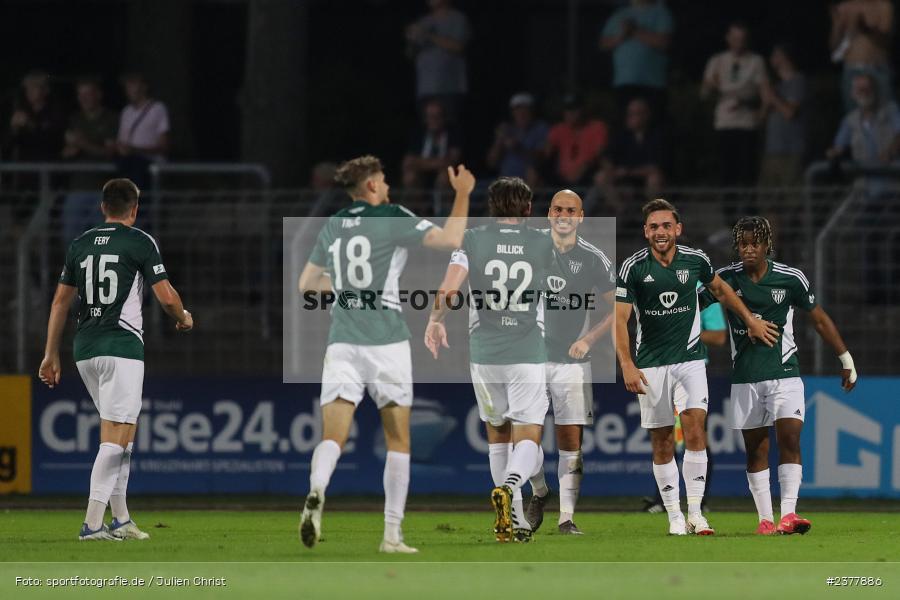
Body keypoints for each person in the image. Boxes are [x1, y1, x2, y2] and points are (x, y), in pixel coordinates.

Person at [297, 155, 473, 554]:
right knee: (399, 439)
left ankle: (317, 489)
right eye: (385, 180)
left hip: (342, 340)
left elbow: (307, 284)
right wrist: (462, 194)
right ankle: (392, 535)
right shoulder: (392, 215)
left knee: (333, 436)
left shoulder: (335, 223)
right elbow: (450, 240)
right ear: (372, 186)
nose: (389, 186)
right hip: (386, 342)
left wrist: (345, 287)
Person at [38, 178, 193, 541]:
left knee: (125, 433)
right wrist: (183, 317)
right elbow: (166, 296)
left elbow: (60, 301)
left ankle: (120, 518)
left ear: (102, 207)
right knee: (114, 435)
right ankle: (92, 523)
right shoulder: (139, 241)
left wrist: (50, 353)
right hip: (121, 346)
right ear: (134, 209)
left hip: (84, 349)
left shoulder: (80, 244)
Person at [615, 198, 779, 536]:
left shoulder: (696, 260)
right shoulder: (633, 267)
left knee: (695, 432)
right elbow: (619, 318)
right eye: (654, 226)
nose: (660, 231)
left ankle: (695, 513)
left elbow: (721, 290)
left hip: (690, 360)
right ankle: (674, 515)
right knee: (661, 441)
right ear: (646, 232)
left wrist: (748, 319)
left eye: (666, 225)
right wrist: (627, 364)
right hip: (651, 365)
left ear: (678, 229)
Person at [704, 216, 857, 534]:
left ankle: (789, 514)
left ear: (766, 245)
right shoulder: (725, 278)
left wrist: (845, 358)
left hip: (785, 373)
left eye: (754, 243)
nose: (748, 249)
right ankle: (764, 519)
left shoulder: (790, 278)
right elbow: (694, 306)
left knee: (789, 438)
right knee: (756, 450)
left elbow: (819, 320)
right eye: (743, 244)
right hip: (745, 376)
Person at [425, 177, 554, 543]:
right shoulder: (544, 242)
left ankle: (513, 522)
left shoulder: (472, 238)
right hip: (527, 351)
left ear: (491, 207)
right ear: (528, 209)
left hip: (485, 354)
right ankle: (513, 487)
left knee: (497, 434)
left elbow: (449, 289)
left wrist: (435, 321)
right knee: (528, 434)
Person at [523, 190, 616, 535]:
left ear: (581, 216)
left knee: (569, 439)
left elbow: (618, 309)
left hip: (572, 362)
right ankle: (538, 491)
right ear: (549, 214)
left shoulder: (594, 259)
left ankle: (566, 518)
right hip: (529, 358)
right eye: (558, 209)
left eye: (571, 210)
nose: (564, 215)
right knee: (525, 437)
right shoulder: (529, 248)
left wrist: (589, 339)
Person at [640, 284, 727, 514]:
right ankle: (665, 498)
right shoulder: (648, 280)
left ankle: (699, 501)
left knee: (694, 435)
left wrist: (681, 331)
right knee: (662, 435)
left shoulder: (699, 289)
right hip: (658, 368)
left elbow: (719, 335)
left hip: (690, 373)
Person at [701, 22, 768, 187]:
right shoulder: (717, 61)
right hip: (724, 123)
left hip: (747, 123)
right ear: (728, 39)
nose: (739, 42)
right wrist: (711, 85)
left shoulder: (756, 61)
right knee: (726, 172)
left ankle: (749, 211)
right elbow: (704, 93)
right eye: (735, 38)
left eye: (742, 39)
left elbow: (764, 92)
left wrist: (760, 114)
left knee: (748, 172)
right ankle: (728, 211)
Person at [61, 76, 119, 245]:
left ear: (98, 95)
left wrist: (83, 144)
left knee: (102, 241)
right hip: (77, 187)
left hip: (102, 191)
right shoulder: (75, 119)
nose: (84, 99)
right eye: (81, 95)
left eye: (88, 94)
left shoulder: (110, 118)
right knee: (71, 238)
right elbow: (67, 151)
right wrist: (73, 148)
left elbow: (109, 152)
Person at [598, 0, 673, 120]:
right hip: (623, 83)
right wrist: (622, 35)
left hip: (652, 83)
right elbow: (603, 44)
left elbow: (664, 42)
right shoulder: (619, 15)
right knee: (625, 125)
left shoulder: (660, 13)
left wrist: (635, 31)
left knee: (654, 124)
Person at [405, 0, 471, 124]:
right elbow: (410, 54)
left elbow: (458, 47)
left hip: (449, 87)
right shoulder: (423, 21)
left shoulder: (458, 18)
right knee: (427, 133)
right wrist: (411, 40)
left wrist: (428, 35)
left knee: (449, 131)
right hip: (424, 88)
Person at [759, 44, 808, 188]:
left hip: (792, 151)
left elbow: (789, 113)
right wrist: (765, 100)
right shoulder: (776, 86)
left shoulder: (798, 81)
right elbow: (761, 119)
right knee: (769, 202)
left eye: (775, 55)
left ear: (784, 57)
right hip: (772, 150)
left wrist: (772, 96)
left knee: (792, 201)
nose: (772, 59)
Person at [829, 0, 894, 111]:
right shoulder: (844, 7)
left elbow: (886, 40)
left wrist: (864, 26)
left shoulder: (883, 5)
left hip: (877, 69)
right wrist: (838, 27)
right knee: (854, 117)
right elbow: (834, 48)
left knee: (884, 116)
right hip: (852, 70)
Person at [116, 72, 170, 189]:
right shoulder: (126, 112)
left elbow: (163, 146)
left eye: (132, 84)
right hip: (127, 164)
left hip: (148, 165)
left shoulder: (158, 109)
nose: (129, 89)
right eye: (127, 85)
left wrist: (136, 150)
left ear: (144, 87)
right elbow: (121, 141)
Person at [545, 94, 609, 187]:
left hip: (588, 175)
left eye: (574, 109)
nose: (571, 113)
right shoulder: (559, 129)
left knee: (600, 174)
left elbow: (600, 153)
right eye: (568, 109)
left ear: (583, 109)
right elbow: (546, 151)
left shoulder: (597, 127)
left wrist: (584, 167)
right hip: (561, 178)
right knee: (535, 167)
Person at [486, 93, 549, 186]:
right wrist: (499, 140)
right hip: (505, 184)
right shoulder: (507, 129)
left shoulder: (540, 128)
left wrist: (518, 148)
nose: (522, 113)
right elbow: (491, 163)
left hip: (529, 185)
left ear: (532, 111)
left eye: (525, 109)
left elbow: (541, 158)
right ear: (512, 112)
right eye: (518, 109)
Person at [402, 100, 463, 193]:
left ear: (444, 117)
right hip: (421, 173)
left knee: (445, 176)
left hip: (443, 173)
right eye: (430, 117)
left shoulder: (453, 133)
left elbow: (452, 161)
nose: (434, 120)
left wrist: (421, 163)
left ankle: (442, 207)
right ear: (425, 119)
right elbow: (408, 162)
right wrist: (437, 163)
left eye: (438, 116)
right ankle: (417, 207)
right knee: (410, 177)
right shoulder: (418, 133)